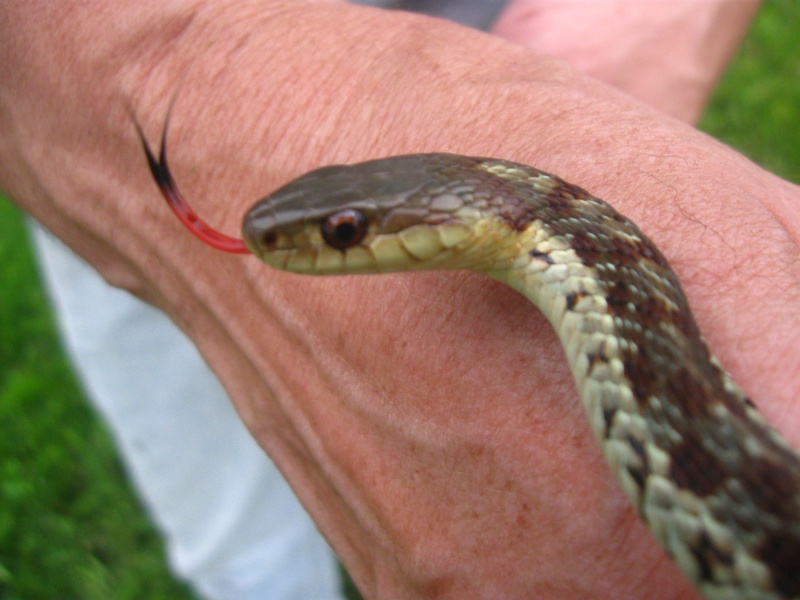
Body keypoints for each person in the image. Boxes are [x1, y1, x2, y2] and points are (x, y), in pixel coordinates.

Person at [2, 1, 794, 599]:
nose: (308, 239)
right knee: (234, 539)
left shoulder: (569, 249)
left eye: (344, 229)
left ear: (476, 224)